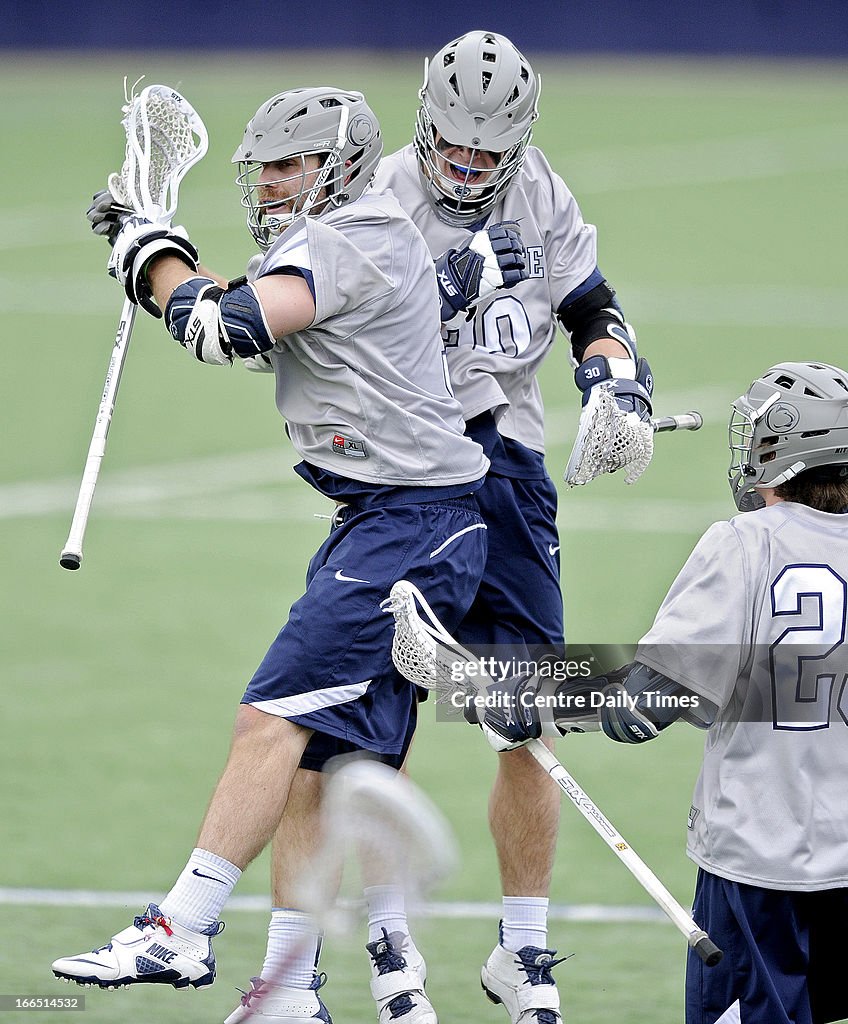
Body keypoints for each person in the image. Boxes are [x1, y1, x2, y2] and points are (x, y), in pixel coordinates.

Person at [53, 86, 494, 1024]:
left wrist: (152, 257)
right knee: (314, 767)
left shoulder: (356, 235)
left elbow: (228, 329)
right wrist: (154, 259)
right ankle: (290, 989)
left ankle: (182, 926)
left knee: (270, 718)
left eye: (288, 163)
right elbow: (243, 317)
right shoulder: (336, 243)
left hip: (410, 526)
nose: (270, 181)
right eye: (265, 166)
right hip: (397, 519)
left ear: (336, 166)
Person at [370, 29, 652, 1024]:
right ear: (425, 126)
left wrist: (614, 383)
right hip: (400, 471)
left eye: (487, 153)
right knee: (381, 711)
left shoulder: (542, 194)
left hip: (512, 469)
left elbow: (590, 307)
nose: (466, 166)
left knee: (530, 718)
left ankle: (521, 953)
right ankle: (385, 934)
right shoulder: (378, 196)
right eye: (452, 147)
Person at [480, 361, 848, 1024]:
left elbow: (646, 704)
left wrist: (535, 700)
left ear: (782, 455)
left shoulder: (747, 544)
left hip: (765, 864)